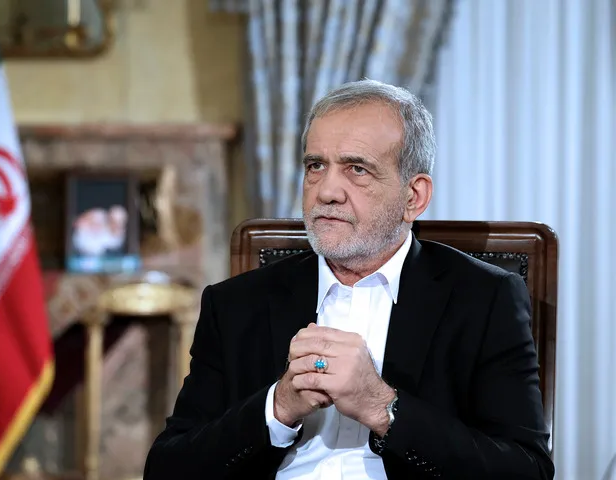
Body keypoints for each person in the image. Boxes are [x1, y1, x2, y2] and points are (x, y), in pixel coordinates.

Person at [143, 80, 554, 479]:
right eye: (315, 166)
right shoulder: (236, 305)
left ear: (413, 197)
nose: (326, 192)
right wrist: (277, 407)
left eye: (357, 169)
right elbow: (167, 468)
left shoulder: (483, 300)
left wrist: (382, 408)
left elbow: (526, 469)